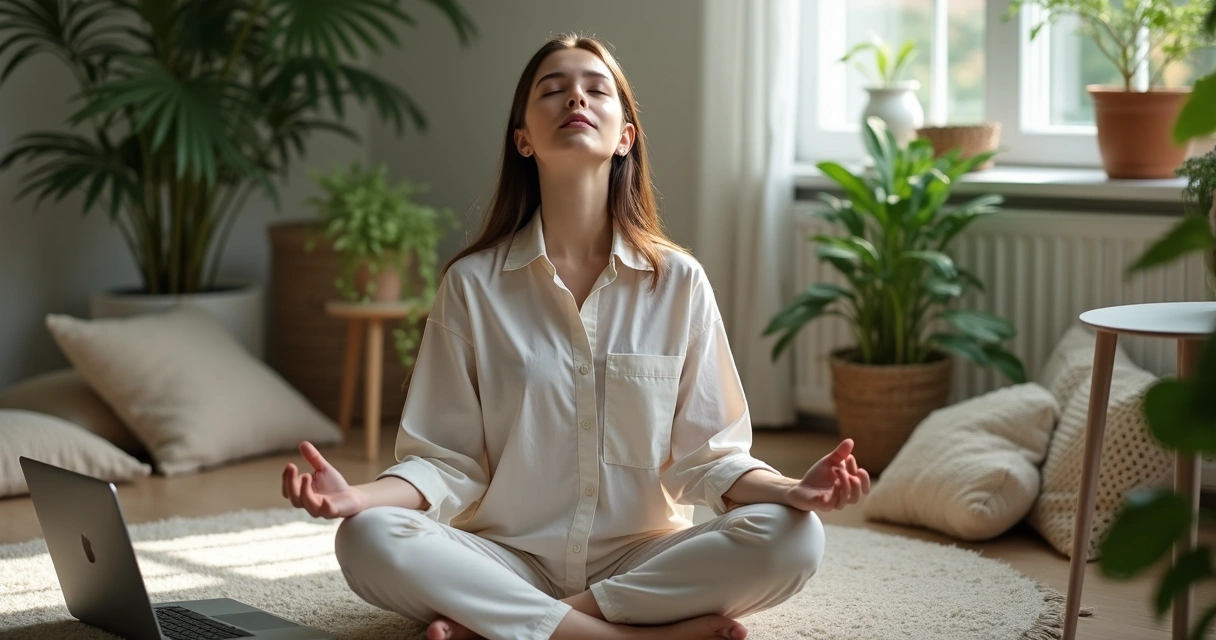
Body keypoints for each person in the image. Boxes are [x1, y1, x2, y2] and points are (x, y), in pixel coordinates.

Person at [282, 33, 870, 640]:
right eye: (552, 90)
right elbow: (443, 460)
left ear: (625, 137)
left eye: (596, 89)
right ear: (524, 139)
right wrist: (358, 497)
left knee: (795, 535)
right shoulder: (471, 286)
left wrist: (794, 488)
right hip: (504, 559)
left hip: (641, 560)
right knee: (367, 537)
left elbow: (711, 458)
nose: (575, 100)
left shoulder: (679, 283)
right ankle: (628, 637)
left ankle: (506, 625)